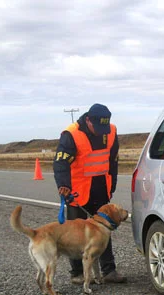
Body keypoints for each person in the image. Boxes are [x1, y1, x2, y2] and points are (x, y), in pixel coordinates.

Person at [53, 103, 127, 284]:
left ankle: (109, 271)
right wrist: (64, 185)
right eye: (98, 128)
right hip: (76, 192)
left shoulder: (110, 131)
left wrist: (112, 184)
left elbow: (113, 160)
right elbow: (60, 162)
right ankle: (77, 273)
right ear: (88, 120)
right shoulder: (72, 134)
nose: (102, 132)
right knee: (75, 232)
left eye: (105, 128)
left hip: (101, 187)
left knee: (104, 228)